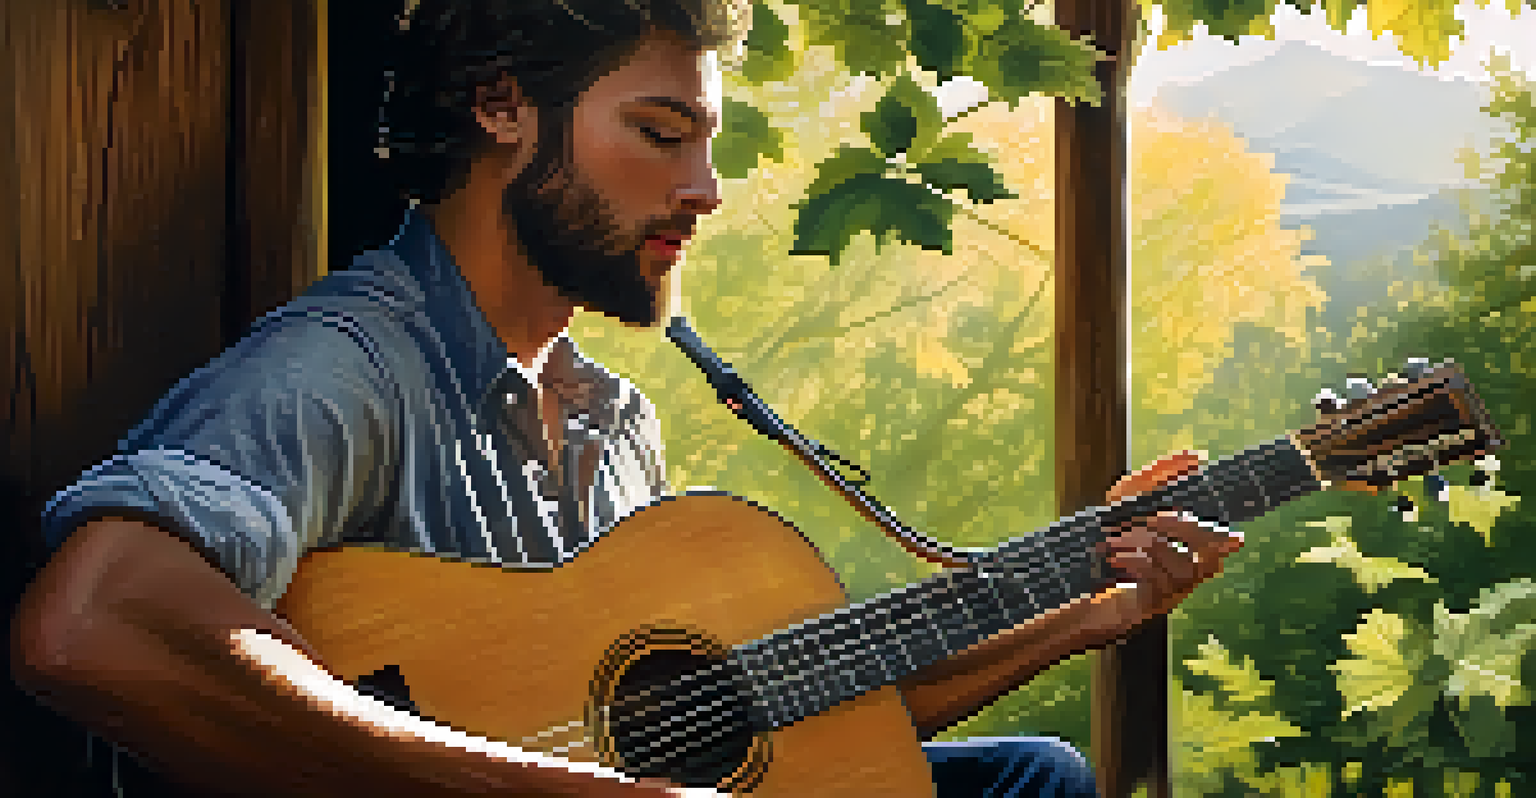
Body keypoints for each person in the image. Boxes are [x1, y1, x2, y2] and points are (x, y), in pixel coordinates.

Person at [8, 1, 1243, 795]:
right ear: (501, 107)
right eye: (661, 133)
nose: (705, 191)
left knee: (1030, 778)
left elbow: (791, 718)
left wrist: (1087, 606)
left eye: (705, 145)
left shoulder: (614, 419)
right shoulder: (343, 367)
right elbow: (89, 625)